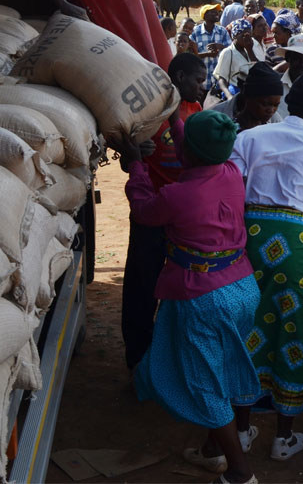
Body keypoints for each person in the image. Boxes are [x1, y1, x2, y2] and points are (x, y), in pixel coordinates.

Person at [118, 109, 257, 484]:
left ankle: (240, 472)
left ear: (188, 155)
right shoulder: (231, 174)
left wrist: (136, 166)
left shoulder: (177, 195)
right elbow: (192, 148)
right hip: (242, 287)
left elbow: (145, 211)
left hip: (204, 297)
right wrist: (175, 115)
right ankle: (213, 450)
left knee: (204, 382)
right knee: (222, 366)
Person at [230, 72, 303, 461]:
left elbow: (231, 191)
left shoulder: (249, 138)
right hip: (296, 248)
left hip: (248, 242)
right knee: (296, 329)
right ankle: (284, 438)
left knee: (249, 325)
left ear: (287, 103)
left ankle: (242, 429)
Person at [120, 52, 206, 371]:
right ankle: (138, 362)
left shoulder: (195, 110)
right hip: (151, 214)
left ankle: (170, 359)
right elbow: (127, 159)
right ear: (180, 78)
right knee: (142, 288)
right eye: (198, 80)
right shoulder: (151, 111)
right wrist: (136, 154)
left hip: (183, 218)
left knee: (180, 291)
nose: (203, 85)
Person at [212, 61, 284, 132]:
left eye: (276, 105)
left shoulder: (275, 121)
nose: (271, 110)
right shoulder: (217, 116)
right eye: (265, 104)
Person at [191, 4, 231, 99]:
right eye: (212, 12)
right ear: (205, 16)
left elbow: (231, 51)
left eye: (217, 12)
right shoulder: (195, 32)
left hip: (219, 81)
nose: (216, 13)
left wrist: (220, 46)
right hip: (201, 82)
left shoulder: (222, 31)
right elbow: (191, 55)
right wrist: (208, 54)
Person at [214, 19, 260, 101]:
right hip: (235, 93)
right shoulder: (228, 52)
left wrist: (250, 50)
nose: (247, 38)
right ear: (234, 35)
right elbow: (221, 79)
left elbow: (259, 69)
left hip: (251, 92)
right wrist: (229, 96)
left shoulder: (249, 49)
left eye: (249, 35)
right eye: (244, 35)